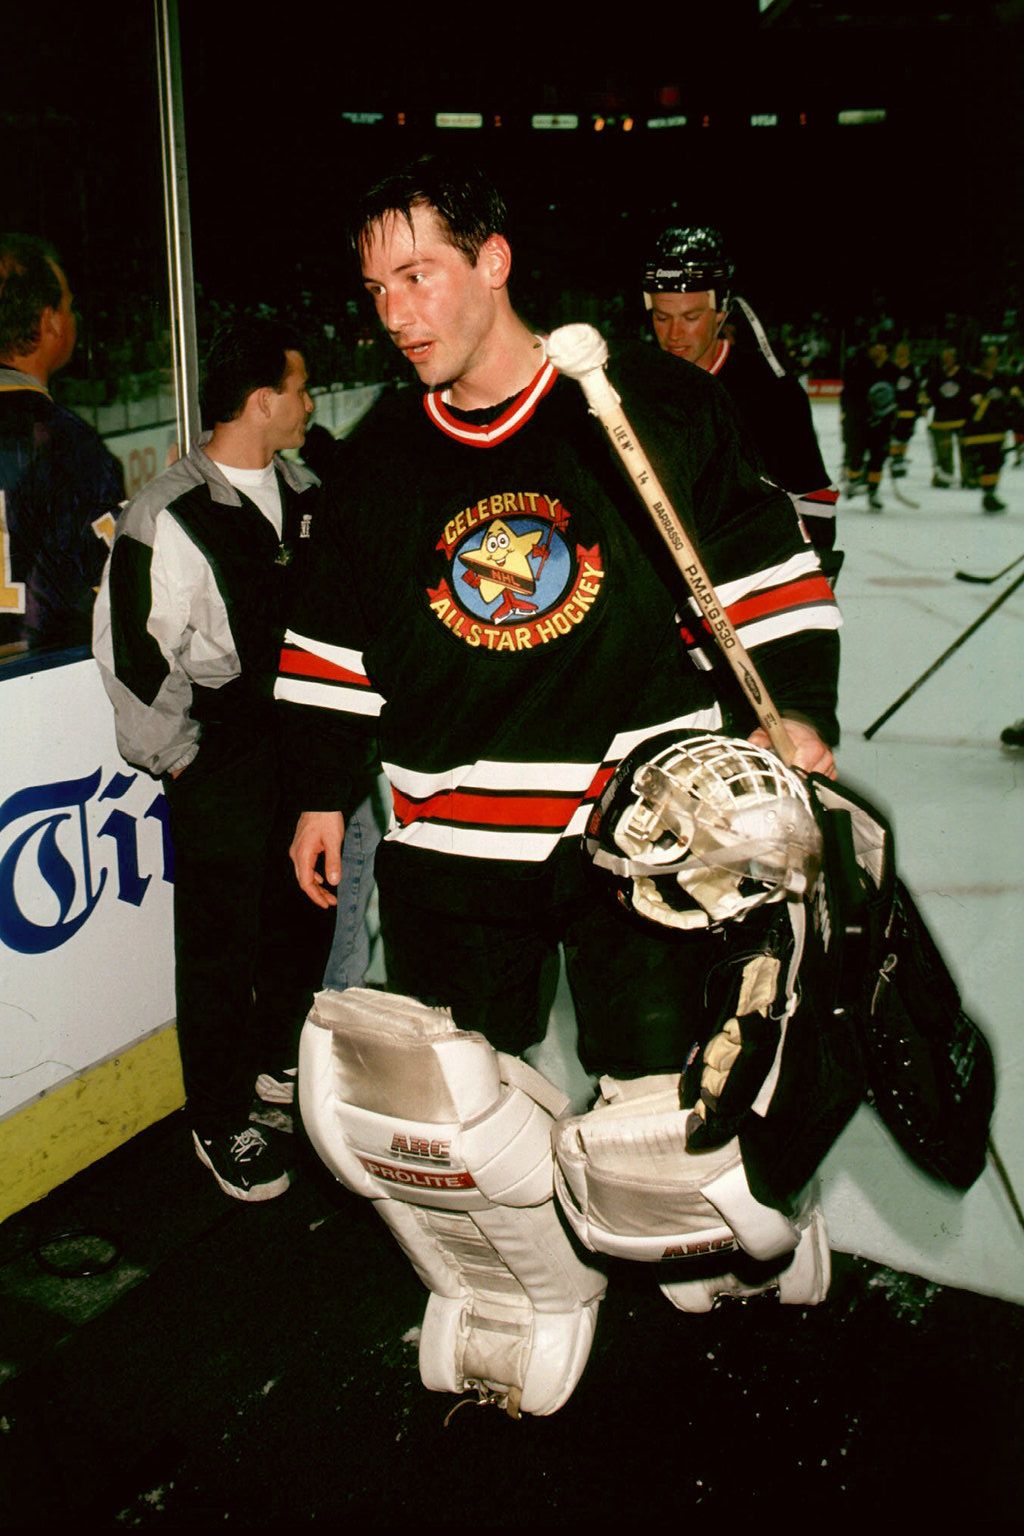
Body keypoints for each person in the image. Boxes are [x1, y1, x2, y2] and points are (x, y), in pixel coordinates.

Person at [277, 156, 843, 1411]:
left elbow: (763, 577)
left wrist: (796, 709)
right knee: (436, 1102)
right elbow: (330, 640)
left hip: (630, 827)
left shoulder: (639, 405)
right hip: (446, 834)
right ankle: (520, 1289)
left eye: (420, 273)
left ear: (494, 262)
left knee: (658, 1101)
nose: (398, 312)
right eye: (377, 288)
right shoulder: (377, 456)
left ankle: (726, 1250)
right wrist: (325, 787)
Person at [93, 316, 337, 1201]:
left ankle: (276, 1066)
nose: (310, 405)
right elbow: (132, 652)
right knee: (219, 946)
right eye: (301, 389)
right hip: (223, 754)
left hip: (305, 750)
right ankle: (218, 1117)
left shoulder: (309, 489)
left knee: (302, 914)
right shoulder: (167, 512)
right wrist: (182, 761)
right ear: (263, 400)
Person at [641, 225, 842, 584]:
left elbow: (812, 497)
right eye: (661, 317)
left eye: (691, 317)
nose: (673, 335)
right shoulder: (634, 385)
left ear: (721, 313)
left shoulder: (771, 393)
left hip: (748, 584)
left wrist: (810, 577)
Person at [0, 233, 124, 658]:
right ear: (50, 320)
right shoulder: (68, 445)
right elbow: (110, 588)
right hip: (43, 682)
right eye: (68, 306)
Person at [840, 332, 897, 512]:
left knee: (877, 459)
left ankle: (873, 492)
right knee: (855, 456)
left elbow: (896, 397)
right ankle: (853, 480)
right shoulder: (859, 367)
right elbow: (849, 394)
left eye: (882, 348)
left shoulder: (892, 370)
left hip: (882, 424)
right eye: (875, 348)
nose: (878, 351)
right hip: (860, 422)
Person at [962, 343, 1020, 513]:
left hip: (997, 428)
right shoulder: (972, 379)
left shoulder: (1002, 378)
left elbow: (1009, 399)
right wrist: (973, 401)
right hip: (979, 430)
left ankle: (990, 494)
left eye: (995, 357)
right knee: (986, 461)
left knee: (995, 461)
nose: (994, 361)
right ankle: (985, 490)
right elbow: (963, 402)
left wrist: (1013, 397)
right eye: (990, 357)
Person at [921, 342, 971, 489]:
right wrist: (925, 405)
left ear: (955, 358)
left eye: (950, 357)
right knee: (943, 450)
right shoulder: (936, 375)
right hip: (942, 418)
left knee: (967, 450)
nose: (947, 360)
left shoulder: (965, 374)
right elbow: (928, 392)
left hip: (962, 417)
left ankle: (970, 476)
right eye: (945, 357)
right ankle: (944, 476)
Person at [888, 339, 925, 479]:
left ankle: (901, 459)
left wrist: (921, 407)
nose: (902, 354)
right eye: (899, 352)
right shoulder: (889, 368)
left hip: (909, 411)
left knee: (905, 437)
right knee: (893, 438)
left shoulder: (914, 370)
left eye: (904, 352)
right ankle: (894, 460)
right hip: (893, 411)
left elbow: (919, 390)